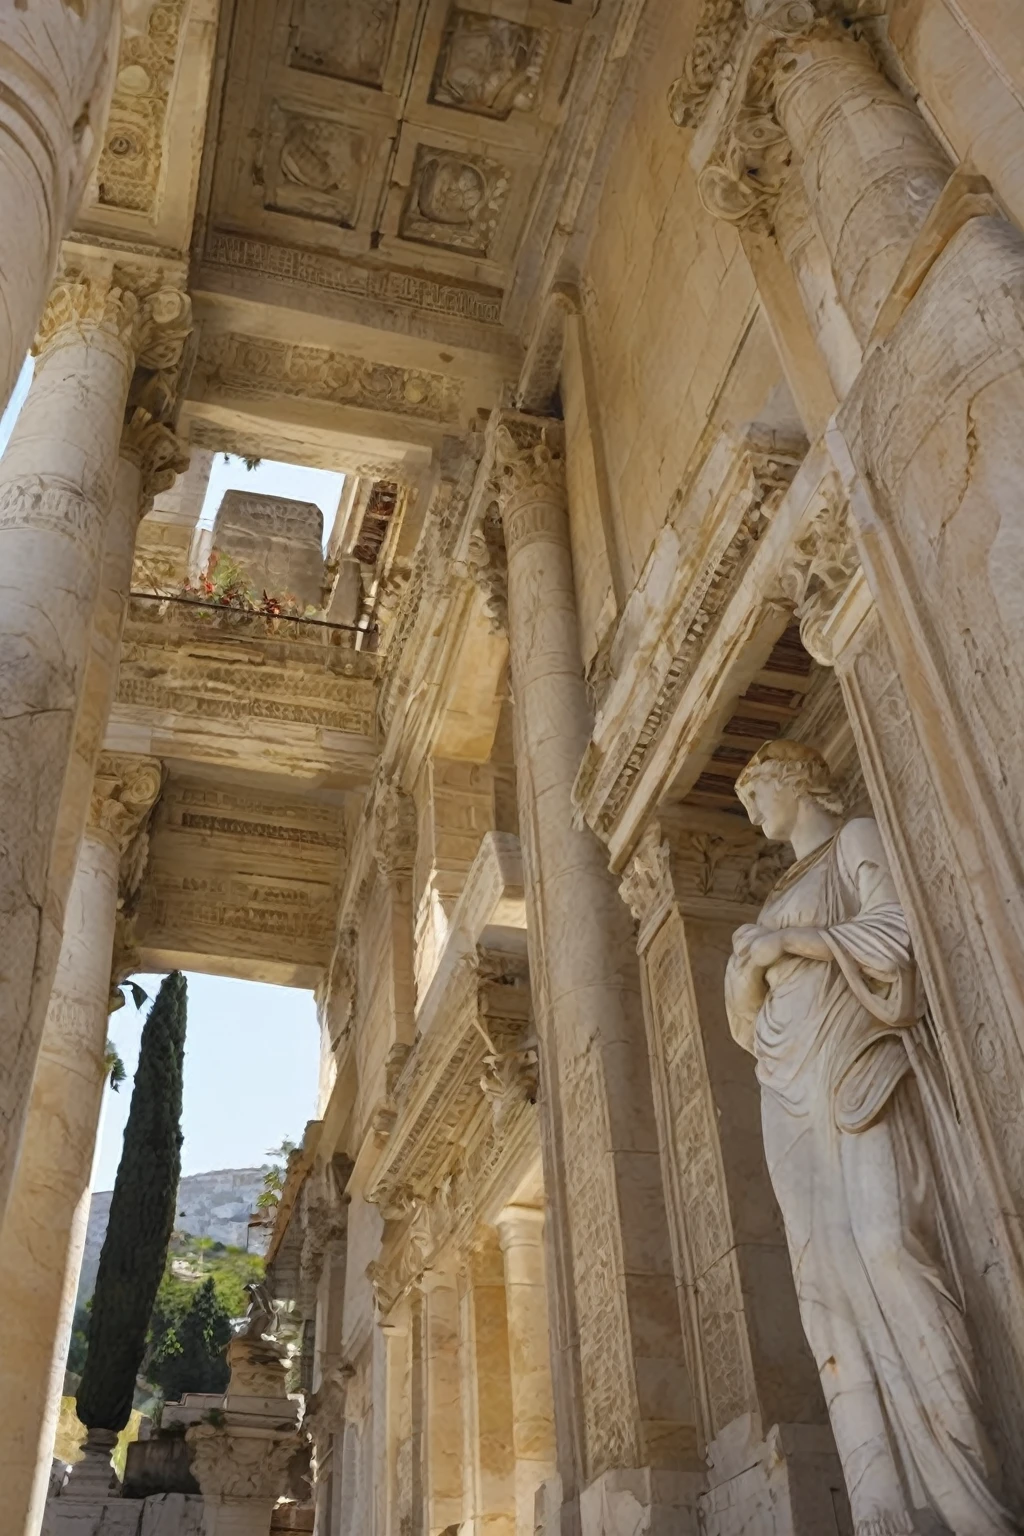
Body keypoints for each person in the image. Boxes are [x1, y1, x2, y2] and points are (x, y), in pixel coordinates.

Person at [725, 739, 1016, 1535]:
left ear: (795, 780)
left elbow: (896, 934)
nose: (752, 816)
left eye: (758, 796)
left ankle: (974, 1491)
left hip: (860, 1066)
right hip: (788, 1092)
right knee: (826, 1292)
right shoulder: (779, 885)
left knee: (890, 1246)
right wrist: (749, 969)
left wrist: (787, 944)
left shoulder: (853, 841)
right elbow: (745, 1024)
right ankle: (884, 1507)